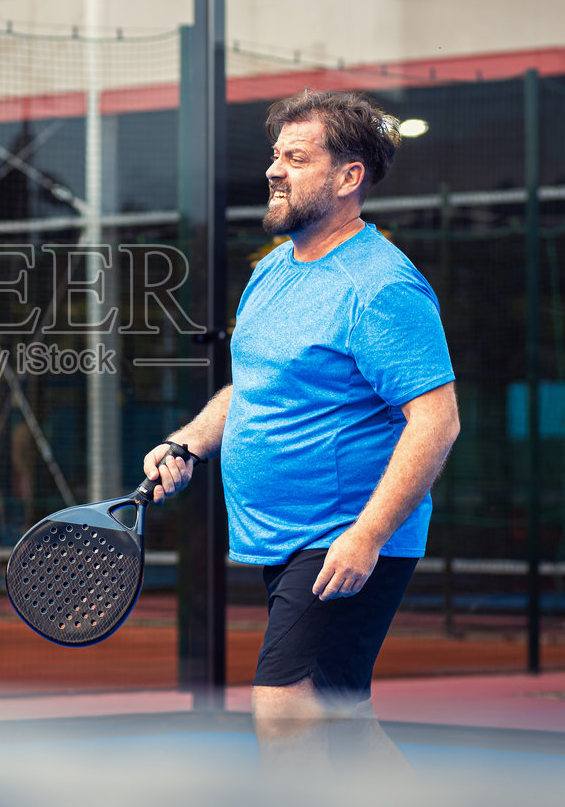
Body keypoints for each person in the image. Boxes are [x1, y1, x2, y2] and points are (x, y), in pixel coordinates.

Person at [144, 88, 459, 772]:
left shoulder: (381, 287)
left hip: (341, 536)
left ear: (349, 177)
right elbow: (252, 386)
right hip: (285, 536)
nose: (274, 169)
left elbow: (436, 419)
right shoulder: (271, 271)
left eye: (296, 155)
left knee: (285, 707)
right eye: (274, 155)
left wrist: (367, 535)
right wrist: (186, 441)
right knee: (343, 715)